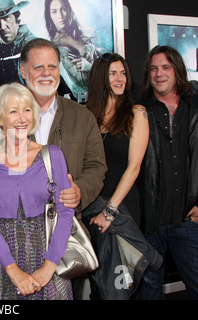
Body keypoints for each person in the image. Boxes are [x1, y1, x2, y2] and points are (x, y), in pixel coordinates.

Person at [0, 38, 106, 217]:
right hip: (12, 230)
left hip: (65, 227)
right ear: (23, 71)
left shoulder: (82, 117)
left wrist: (80, 191)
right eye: (38, 67)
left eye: (52, 67)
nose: (46, 74)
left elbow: (96, 166)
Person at [0, 82, 74, 300]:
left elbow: (66, 213)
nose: (22, 118)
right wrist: (14, 271)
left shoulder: (53, 155)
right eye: (13, 111)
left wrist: (49, 267)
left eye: (27, 110)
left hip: (48, 259)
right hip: (1, 264)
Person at [82, 53, 164, 299]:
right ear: (100, 79)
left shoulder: (136, 113)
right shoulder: (87, 115)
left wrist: (109, 211)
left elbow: (134, 167)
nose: (120, 79)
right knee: (100, 282)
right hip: (90, 210)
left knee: (122, 284)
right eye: (113, 73)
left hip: (121, 209)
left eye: (123, 73)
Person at [137, 45, 198, 300]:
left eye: (165, 67)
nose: (158, 73)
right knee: (149, 291)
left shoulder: (195, 108)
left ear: (177, 70)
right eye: (153, 68)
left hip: (188, 217)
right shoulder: (138, 111)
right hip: (150, 221)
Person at [44, 0, 99, 103]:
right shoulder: (50, 48)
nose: (60, 15)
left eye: (63, 9)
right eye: (54, 11)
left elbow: (104, 72)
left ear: (69, 10)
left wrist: (89, 66)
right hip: (71, 102)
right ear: (49, 16)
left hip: (95, 101)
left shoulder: (84, 37)